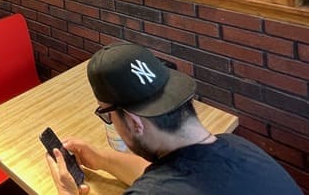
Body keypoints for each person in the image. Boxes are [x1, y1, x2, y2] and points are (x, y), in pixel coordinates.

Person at [45, 42, 301, 195]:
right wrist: (102, 159)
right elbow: (171, 175)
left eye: (108, 115)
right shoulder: (240, 148)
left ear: (135, 122)